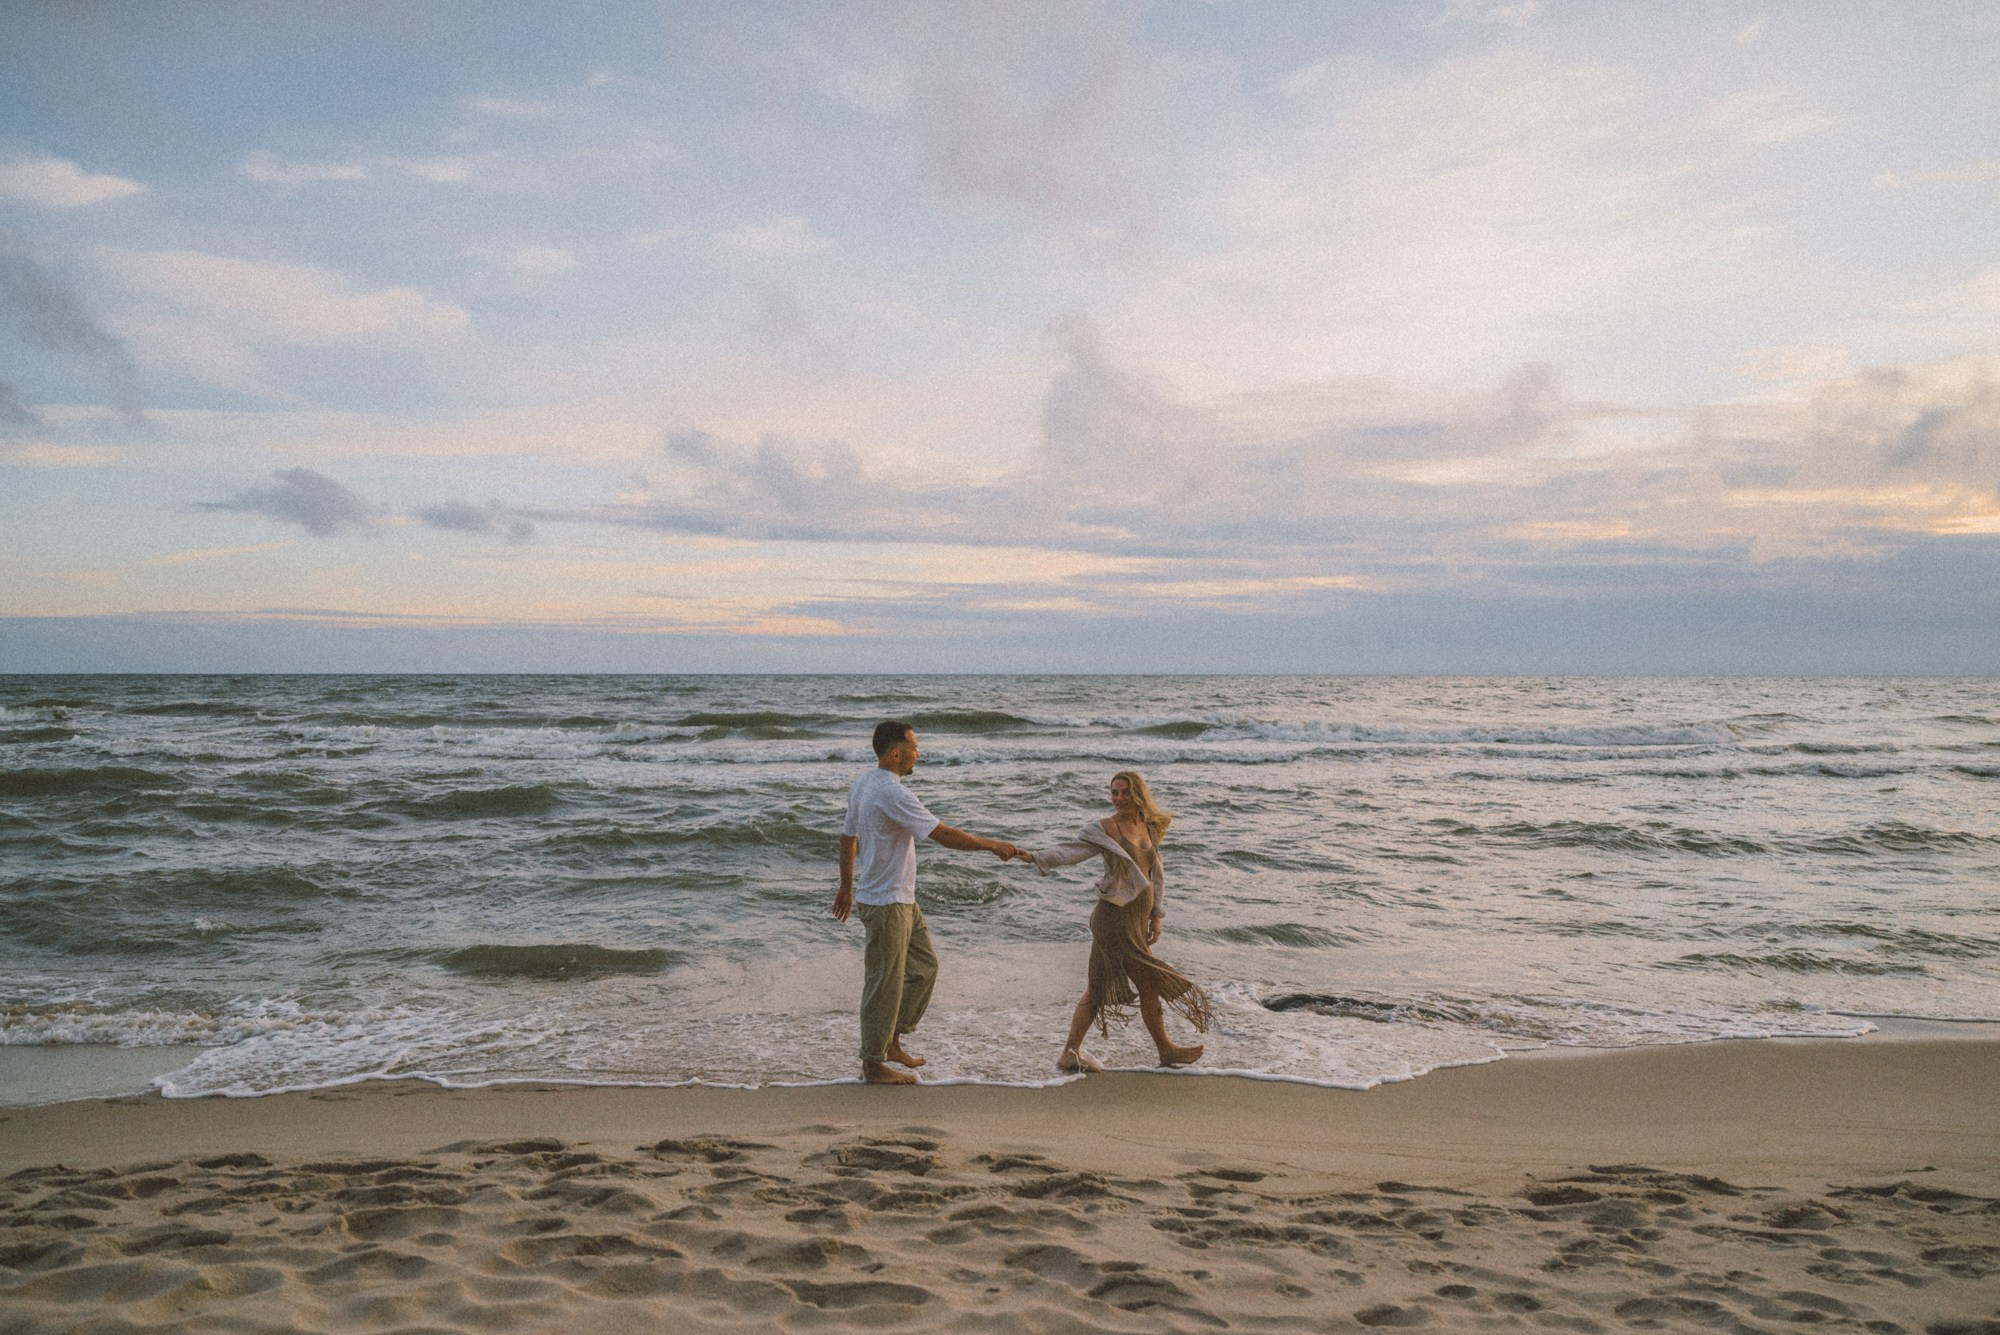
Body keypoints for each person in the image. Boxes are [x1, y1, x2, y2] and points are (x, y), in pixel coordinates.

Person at [833, 720, 1026, 1085]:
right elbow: (943, 835)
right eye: (913, 749)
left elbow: (847, 838)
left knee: (924, 968)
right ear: (895, 753)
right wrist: (992, 845)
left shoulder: (864, 782)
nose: (918, 755)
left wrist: (846, 887)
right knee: (883, 982)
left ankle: (891, 1040)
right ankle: (872, 1064)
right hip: (885, 902)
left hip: (901, 897)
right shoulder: (892, 792)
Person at [1030, 770, 1210, 1073]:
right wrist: (1034, 856)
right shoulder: (1107, 828)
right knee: (1148, 980)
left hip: (1136, 921)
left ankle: (1070, 1052)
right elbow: (1072, 852)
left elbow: (1157, 875)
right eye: (1114, 792)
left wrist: (1157, 915)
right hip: (1112, 920)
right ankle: (1164, 1049)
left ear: (1138, 794)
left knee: (1099, 987)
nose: (1118, 798)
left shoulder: (1148, 827)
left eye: (1125, 792)